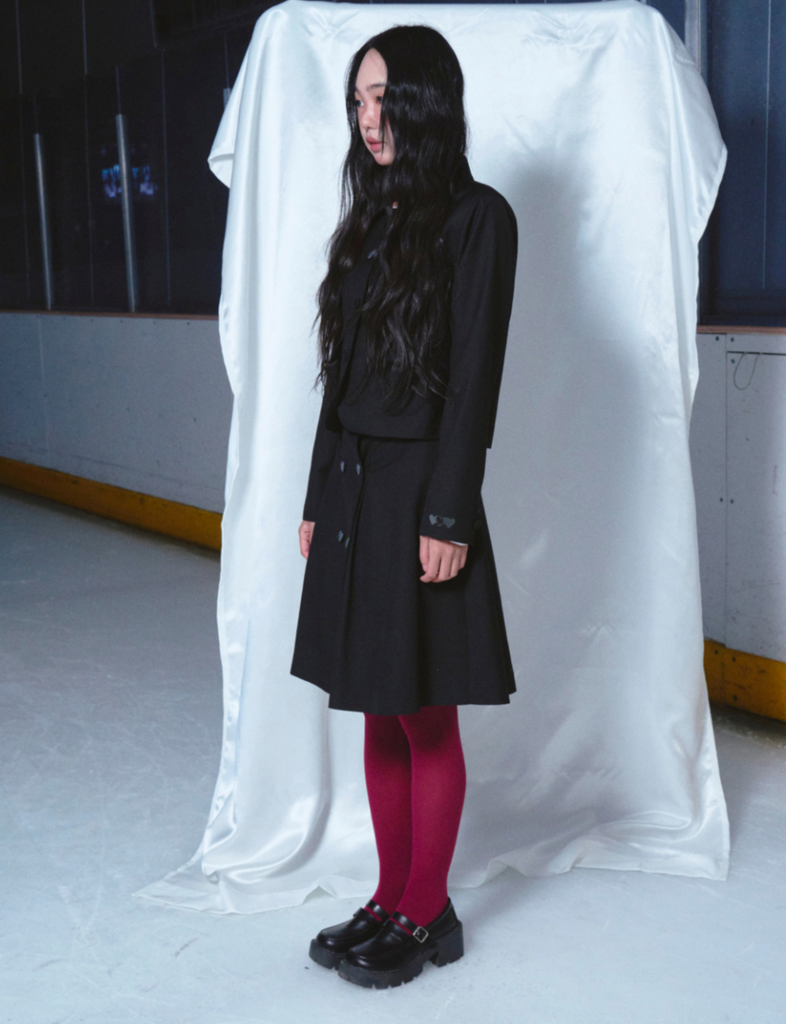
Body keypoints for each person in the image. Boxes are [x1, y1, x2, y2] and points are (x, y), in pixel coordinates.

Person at [290, 24, 517, 989]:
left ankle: (429, 912)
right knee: (378, 705)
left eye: (383, 97)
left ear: (426, 101)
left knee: (424, 713)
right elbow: (339, 375)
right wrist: (316, 493)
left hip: (423, 490)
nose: (367, 117)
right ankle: (391, 896)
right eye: (357, 100)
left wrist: (447, 516)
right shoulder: (371, 219)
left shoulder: (479, 218)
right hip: (352, 485)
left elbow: (473, 381)